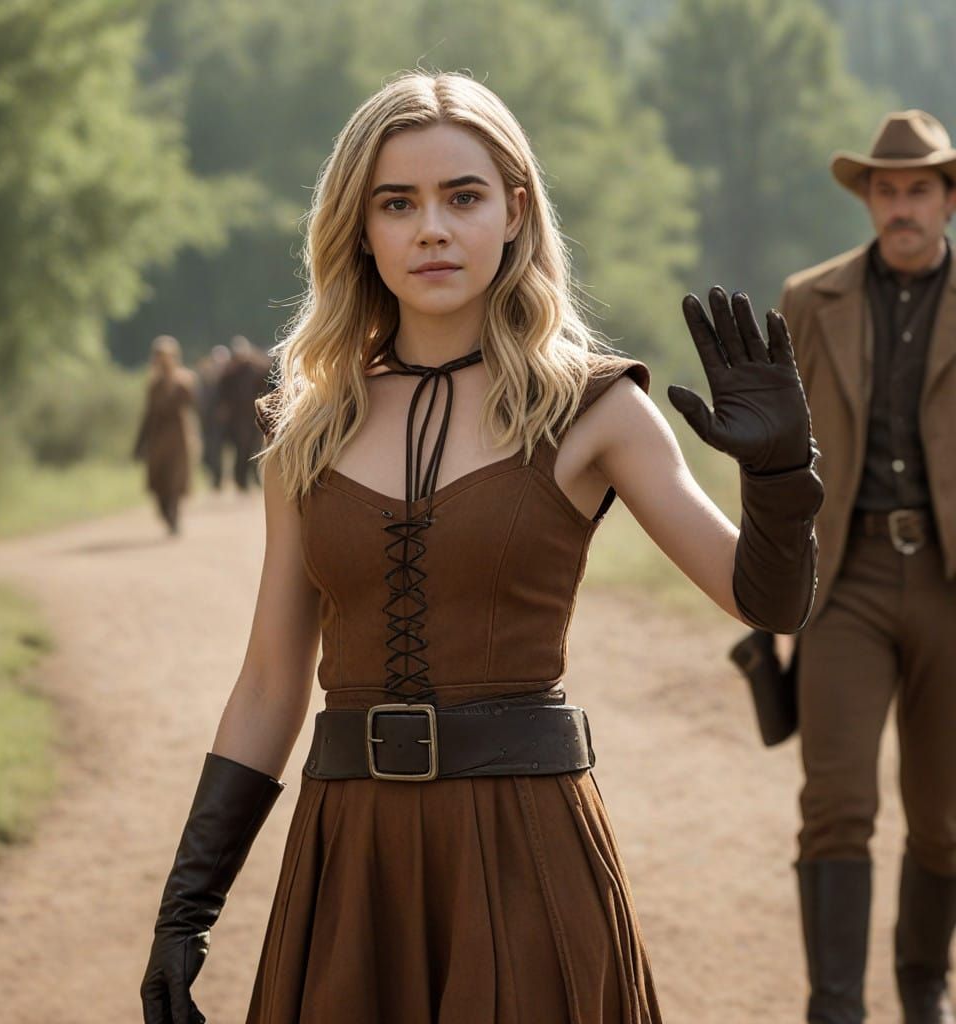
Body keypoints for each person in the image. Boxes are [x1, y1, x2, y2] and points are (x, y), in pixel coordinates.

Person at [139, 72, 823, 1024]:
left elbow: (766, 600)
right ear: (360, 228)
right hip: (350, 863)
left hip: (525, 850)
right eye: (397, 204)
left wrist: (781, 477)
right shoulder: (304, 427)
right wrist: (188, 906)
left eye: (462, 197)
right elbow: (267, 683)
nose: (431, 229)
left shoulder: (594, 408)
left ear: (515, 211)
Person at [776, 110, 956, 1024]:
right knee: (836, 802)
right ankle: (835, 1009)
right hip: (845, 576)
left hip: (952, 584)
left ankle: (924, 986)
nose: (901, 206)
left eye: (919, 189)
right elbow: (778, 450)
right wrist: (771, 570)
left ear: (948, 200)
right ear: (869, 200)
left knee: (945, 819)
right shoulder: (811, 300)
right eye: (887, 190)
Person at [132, 335, 198, 535]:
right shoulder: (153, 385)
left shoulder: (183, 381)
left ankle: (174, 516)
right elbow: (148, 415)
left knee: (175, 481)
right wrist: (139, 444)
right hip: (157, 439)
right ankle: (166, 513)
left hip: (178, 439)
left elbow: (191, 405)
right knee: (158, 482)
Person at [217, 335, 273, 492]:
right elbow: (223, 391)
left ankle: (254, 478)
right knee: (240, 448)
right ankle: (240, 480)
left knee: (255, 447)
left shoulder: (256, 369)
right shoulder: (231, 372)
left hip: (254, 415)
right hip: (237, 417)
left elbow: (267, 382)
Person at [197, 343, 231, 490]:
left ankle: (220, 478)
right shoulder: (207, 377)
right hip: (208, 421)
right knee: (209, 452)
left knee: (219, 450)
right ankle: (216, 477)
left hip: (225, 422)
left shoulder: (230, 378)